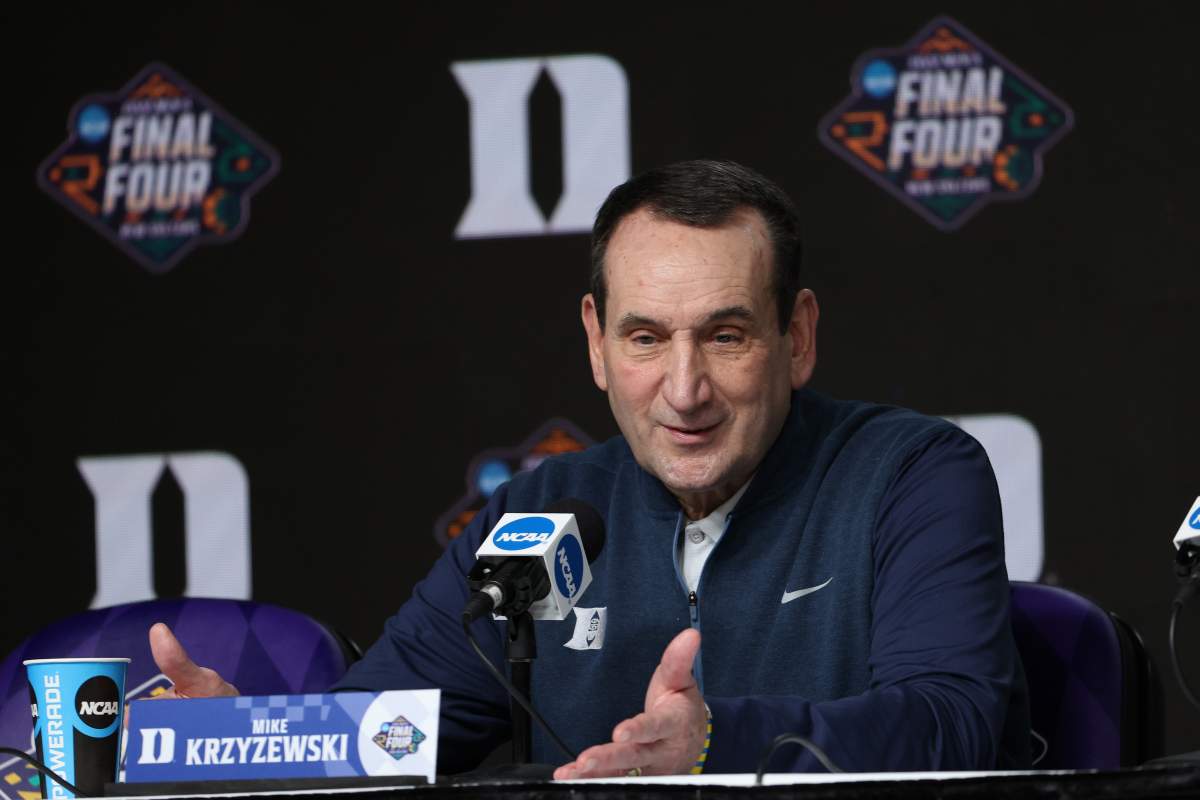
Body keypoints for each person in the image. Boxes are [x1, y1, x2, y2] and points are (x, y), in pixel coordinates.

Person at [149, 160, 1031, 776]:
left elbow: (953, 725)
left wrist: (715, 743)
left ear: (796, 337)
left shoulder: (909, 475)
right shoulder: (536, 512)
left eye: (725, 336)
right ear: (596, 344)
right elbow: (385, 735)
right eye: (645, 338)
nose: (684, 390)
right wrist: (235, 742)